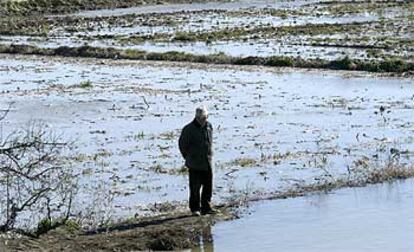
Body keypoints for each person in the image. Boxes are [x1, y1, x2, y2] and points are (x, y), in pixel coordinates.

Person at [179, 105, 216, 216]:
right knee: (195, 187)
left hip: (207, 161)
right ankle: (195, 209)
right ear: (196, 117)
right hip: (194, 163)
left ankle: (206, 207)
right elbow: (182, 145)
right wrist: (189, 158)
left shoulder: (209, 126)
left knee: (208, 186)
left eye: (205, 118)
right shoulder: (188, 129)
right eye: (201, 118)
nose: (203, 120)